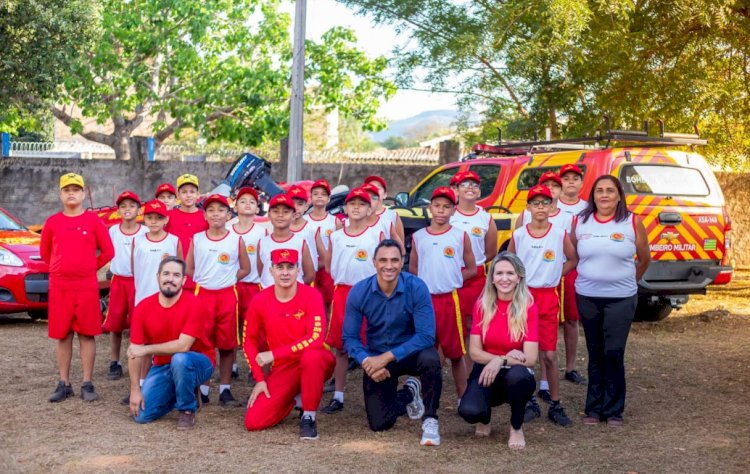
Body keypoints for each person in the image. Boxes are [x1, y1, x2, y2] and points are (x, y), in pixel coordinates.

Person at [344, 239, 443, 446]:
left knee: (431, 358)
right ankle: (409, 393)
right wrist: (367, 362)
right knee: (380, 423)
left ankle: (431, 418)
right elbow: (350, 338)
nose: (389, 266)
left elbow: (426, 335)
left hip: (409, 354)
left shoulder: (416, 287)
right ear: (374, 262)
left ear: (402, 261)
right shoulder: (359, 291)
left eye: (394, 260)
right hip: (378, 358)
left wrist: (385, 357)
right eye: (383, 260)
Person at [570, 175, 650, 426]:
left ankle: (613, 409)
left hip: (621, 299)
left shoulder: (632, 221)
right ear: (593, 196)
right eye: (599, 191)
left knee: (613, 352)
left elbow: (644, 258)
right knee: (595, 353)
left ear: (619, 196)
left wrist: (627, 282)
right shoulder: (580, 221)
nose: (604, 195)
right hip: (587, 296)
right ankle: (593, 409)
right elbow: (573, 255)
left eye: (610, 191)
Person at [243, 249, 335, 440]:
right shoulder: (260, 300)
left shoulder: (312, 296)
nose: (285, 272)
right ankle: (295, 398)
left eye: (290, 267)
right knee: (254, 422)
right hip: (284, 367)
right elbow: (248, 340)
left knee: (312, 357)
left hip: (315, 360)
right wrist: (260, 379)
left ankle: (308, 415)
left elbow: (315, 339)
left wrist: (274, 354)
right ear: (271, 271)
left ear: (298, 270)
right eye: (280, 267)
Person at [41, 173, 114, 402]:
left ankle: (87, 382)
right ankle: (64, 383)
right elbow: (45, 253)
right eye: (66, 189)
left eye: (76, 189)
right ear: (61, 194)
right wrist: (58, 267)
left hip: (85, 285)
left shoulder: (93, 221)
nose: (71, 193)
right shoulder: (53, 222)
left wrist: (90, 268)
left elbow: (108, 251)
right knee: (63, 334)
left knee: (87, 333)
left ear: (83, 193)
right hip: (60, 286)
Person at [508, 185, 577, 427]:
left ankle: (555, 404)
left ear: (551, 206)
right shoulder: (519, 235)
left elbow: (572, 258)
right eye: (535, 203)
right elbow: (509, 263)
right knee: (524, 354)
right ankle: (528, 402)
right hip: (524, 297)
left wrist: (557, 274)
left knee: (548, 354)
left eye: (544, 203)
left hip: (548, 296)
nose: (540, 207)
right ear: (528, 207)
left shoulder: (559, 233)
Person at [458, 252, 539, 449]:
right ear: (492, 278)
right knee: (469, 411)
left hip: (516, 371)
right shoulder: (482, 305)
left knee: (518, 377)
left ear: (519, 277)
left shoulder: (528, 306)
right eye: (499, 273)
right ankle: (484, 417)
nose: (504, 278)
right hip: (486, 369)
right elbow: (474, 352)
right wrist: (501, 357)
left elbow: (530, 359)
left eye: (510, 273)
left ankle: (516, 427)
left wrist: (500, 361)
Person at [127, 257, 215, 429]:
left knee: (180, 359)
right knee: (141, 416)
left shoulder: (194, 304)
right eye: (166, 274)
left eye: (176, 275)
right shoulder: (143, 307)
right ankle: (182, 390)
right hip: (163, 366)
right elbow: (134, 352)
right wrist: (135, 390)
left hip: (199, 362)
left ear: (183, 280)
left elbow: (183, 346)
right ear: (158, 276)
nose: (170, 279)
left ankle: (187, 410)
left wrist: (146, 350)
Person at [409, 186, 477, 400]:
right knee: (425, 352)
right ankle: (424, 397)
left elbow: (472, 268)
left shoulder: (460, 235)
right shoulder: (419, 236)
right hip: (426, 302)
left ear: (453, 211)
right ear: (430, 208)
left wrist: (454, 280)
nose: (441, 210)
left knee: (456, 353)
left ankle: (463, 398)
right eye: (437, 206)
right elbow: (413, 268)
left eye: (446, 206)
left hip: (450, 300)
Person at [320, 187, 382, 414]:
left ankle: (375, 395)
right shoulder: (336, 236)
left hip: (369, 293)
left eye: (362, 204)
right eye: (352, 204)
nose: (356, 207)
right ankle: (338, 395)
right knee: (341, 347)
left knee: (371, 344)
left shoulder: (376, 235)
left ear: (369, 208)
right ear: (345, 208)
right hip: (343, 293)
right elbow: (329, 266)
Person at [187, 194, 250, 406]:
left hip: (226, 295)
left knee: (227, 343)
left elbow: (246, 267)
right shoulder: (197, 239)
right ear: (204, 214)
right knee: (202, 343)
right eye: (211, 210)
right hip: (202, 295)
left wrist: (231, 278)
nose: (216, 214)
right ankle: (203, 389)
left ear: (228, 214)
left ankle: (225, 389)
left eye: (220, 210)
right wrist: (202, 280)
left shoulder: (235, 239)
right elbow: (189, 267)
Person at [449, 170, 498, 360]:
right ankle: (446, 365)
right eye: (465, 184)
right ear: (456, 190)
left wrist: (473, 265)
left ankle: (471, 366)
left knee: (472, 324)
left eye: (475, 185)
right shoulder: (449, 214)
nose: (470, 187)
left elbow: (491, 251)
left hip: (475, 277)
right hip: (450, 274)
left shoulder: (485, 218)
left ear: (479, 192)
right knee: (448, 322)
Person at [103, 191, 147, 381]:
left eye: (131, 206)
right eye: (123, 206)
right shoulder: (113, 231)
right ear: (118, 210)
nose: (127, 209)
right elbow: (107, 253)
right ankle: (115, 361)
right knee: (115, 323)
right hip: (119, 280)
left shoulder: (145, 232)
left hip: (139, 281)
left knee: (139, 322)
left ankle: (139, 358)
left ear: (138, 209)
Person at [228, 186, 267, 378]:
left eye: (252, 201)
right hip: (232, 285)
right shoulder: (227, 229)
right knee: (232, 325)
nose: (247, 204)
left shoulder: (262, 232)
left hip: (254, 285)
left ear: (258, 207)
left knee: (254, 327)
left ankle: (255, 364)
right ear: (235, 206)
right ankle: (232, 365)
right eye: (242, 201)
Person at [557, 164, 588, 385]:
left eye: (575, 178)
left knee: (571, 319)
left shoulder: (587, 208)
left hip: (574, 269)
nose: (570, 182)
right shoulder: (550, 205)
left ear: (581, 182)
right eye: (566, 178)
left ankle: (570, 367)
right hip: (547, 268)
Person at [258, 194, 315, 288]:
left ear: (293, 216)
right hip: (269, 298)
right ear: (269, 215)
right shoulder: (262, 243)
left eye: (285, 212)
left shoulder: (300, 243)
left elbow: (310, 275)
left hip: (295, 298)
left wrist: (292, 288)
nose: (280, 215)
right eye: (276, 211)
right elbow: (261, 272)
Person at [165, 174, 208, 291]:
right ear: (178, 195)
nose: (188, 195)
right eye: (184, 192)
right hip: (173, 278)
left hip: (199, 277)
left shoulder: (206, 217)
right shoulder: (168, 217)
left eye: (192, 191)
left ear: (198, 194)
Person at [305, 179, 340, 309]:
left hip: (327, 269)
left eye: (323, 194)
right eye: (316, 193)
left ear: (329, 198)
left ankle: (327, 328)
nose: (319, 196)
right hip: (309, 267)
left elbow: (339, 248)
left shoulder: (335, 222)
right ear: (310, 198)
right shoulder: (304, 221)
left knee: (328, 303)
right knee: (309, 302)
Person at [363, 175, 406, 244]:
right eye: (370, 189)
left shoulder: (392, 215)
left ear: (385, 194)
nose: (374, 191)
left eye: (378, 188)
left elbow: (400, 244)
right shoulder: (358, 214)